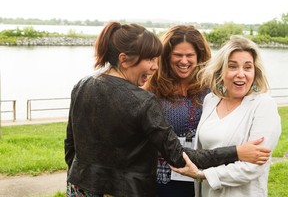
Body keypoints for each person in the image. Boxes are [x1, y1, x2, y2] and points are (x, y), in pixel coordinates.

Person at [64, 22, 271, 197]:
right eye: (150, 60)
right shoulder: (143, 99)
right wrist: (236, 152)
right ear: (124, 59)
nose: (155, 66)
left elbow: (70, 144)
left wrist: (77, 174)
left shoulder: (82, 84)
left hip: (80, 186)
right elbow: (178, 156)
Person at [170, 35, 282, 197]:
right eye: (233, 66)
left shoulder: (263, 105)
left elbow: (253, 167)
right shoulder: (211, 100)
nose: (241, 74)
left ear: (255, 71)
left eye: (247, 67)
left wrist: (203, 175)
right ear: (221, 70)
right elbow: (203, 151)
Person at [145, 25, 211, 197]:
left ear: (199, 56)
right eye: (178, 55)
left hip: (202, 173)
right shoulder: (152, 88)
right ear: (166, 56)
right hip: (163, 178)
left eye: (190, 55)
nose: (184, 61)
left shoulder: (211, 88)